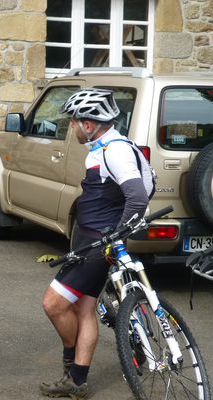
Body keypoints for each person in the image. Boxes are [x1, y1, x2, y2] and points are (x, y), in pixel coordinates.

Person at [40, 88, 152, 399]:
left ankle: (71, 360)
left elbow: (137, 197)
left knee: (53, 303)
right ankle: (77, 380)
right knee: (85, 308)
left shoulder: (114, 150)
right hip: (90, 237)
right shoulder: (103, 146)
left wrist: (114, 237)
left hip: (97, 243)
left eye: (73, 121)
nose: (71, 127)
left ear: (88, 124)